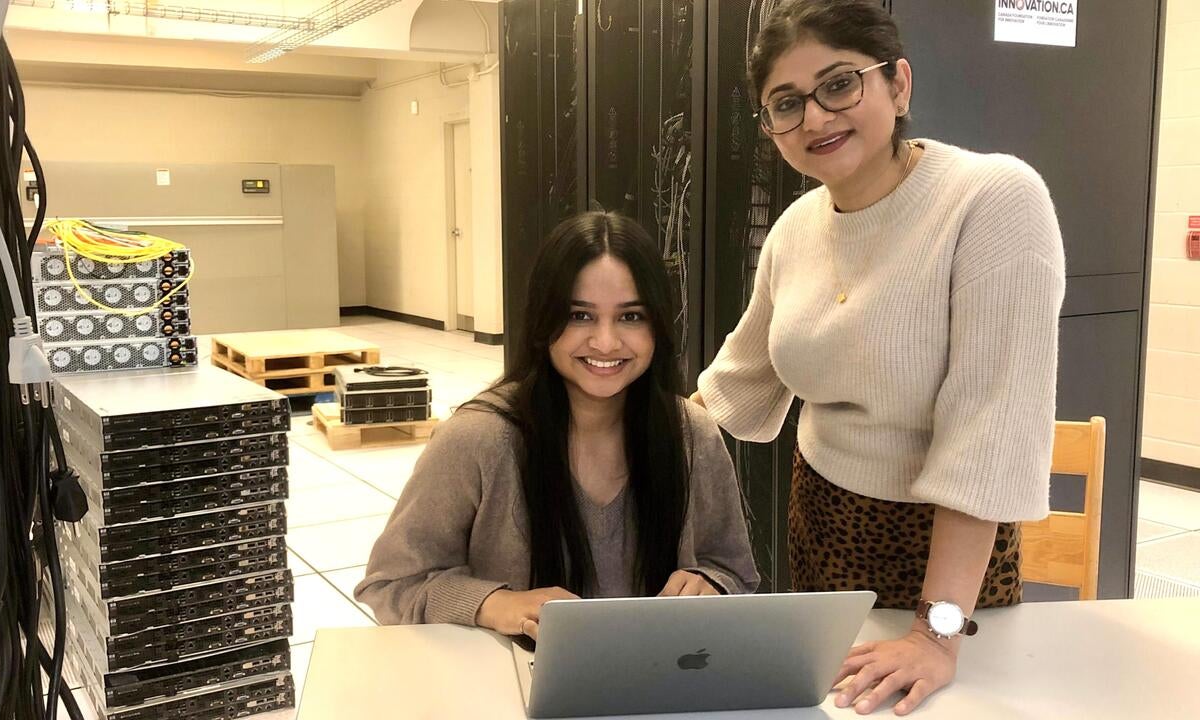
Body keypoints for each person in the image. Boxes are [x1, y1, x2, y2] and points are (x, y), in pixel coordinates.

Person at [692, 0, 1064, 715]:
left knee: (939, 704)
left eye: (840, 85)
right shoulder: (796, 228)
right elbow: (734, 385)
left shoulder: (992, 199)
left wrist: (937, 634)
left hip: (947, 557)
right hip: (820, 524)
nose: (816, 118)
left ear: (898, 85)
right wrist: (582, 422)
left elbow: (986, 441)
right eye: (786, 103)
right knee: (828, 702)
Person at [356, 211, 759, 641]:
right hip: (513, 688)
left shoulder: (691, 434)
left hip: (659, 678)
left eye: (630, 317)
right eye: (580, 316)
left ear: (657, 324)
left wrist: (711, 584)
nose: (606, 342)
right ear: (543, 320)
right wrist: (494, 604)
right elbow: (390, 585)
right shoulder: (478, 439)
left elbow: (733, 569)